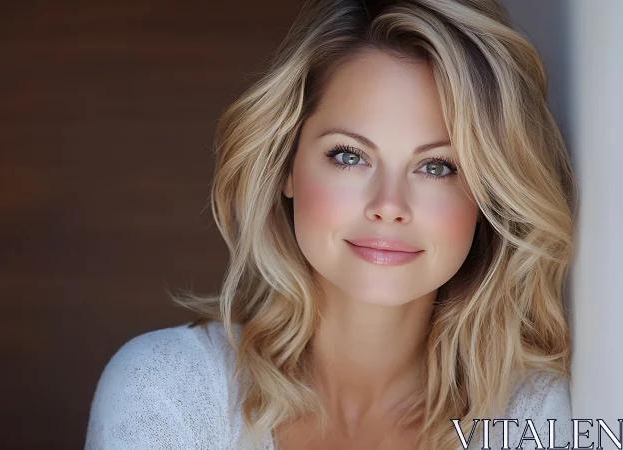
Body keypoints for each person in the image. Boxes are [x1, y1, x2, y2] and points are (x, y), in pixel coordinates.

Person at [84, 0, 577, 449]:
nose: (389, 205)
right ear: (287, 168)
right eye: (349, 156)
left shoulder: (535, 420)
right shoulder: (168, 393)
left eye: (437, 166)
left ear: (489, 194)